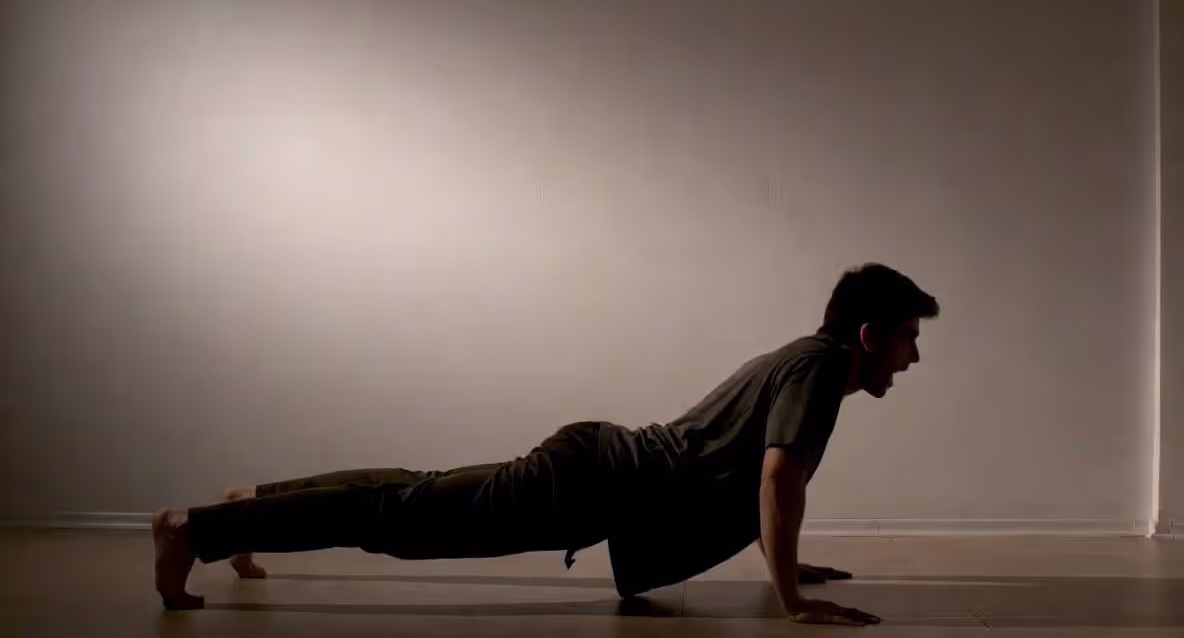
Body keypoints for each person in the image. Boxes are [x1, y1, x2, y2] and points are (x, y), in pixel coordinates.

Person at [153, 262, 938, 626]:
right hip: (591, 482)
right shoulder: (821, 369)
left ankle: (250, 509)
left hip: (596, 471)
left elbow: (741, 472)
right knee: (405, 515)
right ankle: (198, 530)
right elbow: (775, 480)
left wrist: (786, 561)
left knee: (410, 492)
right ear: (870, 335)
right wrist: (792, 600)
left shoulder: (805, 360)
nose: (912, 357)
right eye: (908, 338)